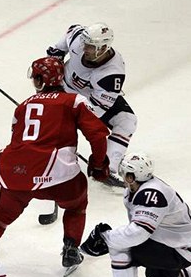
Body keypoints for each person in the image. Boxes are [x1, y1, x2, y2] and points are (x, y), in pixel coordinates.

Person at [0, 57, 110, 274]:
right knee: (76, 205)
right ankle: (71, 247)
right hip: (58, 176)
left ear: (41, 80)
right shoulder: (74, 101)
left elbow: (17, 139)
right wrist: (99, 165)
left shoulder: (23, 106)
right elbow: (98, 135)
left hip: (16, 174)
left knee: (1, 216)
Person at [81, 152, 191, 277]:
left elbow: (137, 234)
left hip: (180, 249)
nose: (122, 176)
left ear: (131, 177)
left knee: (120, 246)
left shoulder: (151, 194)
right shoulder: (139, 189)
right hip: (179, 245)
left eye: (124, 173)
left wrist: (106, 237)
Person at [46, 22, 136, 187]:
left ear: (103, 49)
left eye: (90, 46)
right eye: (85, 43)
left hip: (88, 100)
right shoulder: (78, 37)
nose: (84, 48)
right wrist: (53, 69)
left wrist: (73, 119)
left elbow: (97, 110)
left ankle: (108, 168)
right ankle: (17, 159)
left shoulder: (111, 74)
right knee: (44, 126)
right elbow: (58, 48)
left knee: (126, 121)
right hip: (59, 88)